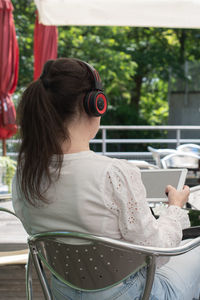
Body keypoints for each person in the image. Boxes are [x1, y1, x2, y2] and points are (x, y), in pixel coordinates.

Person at [12, 58, 200, 300]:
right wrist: (174, 208)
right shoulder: (112, 173)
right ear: (95, 105)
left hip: (63, 293)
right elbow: (159, 252)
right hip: (135, 295)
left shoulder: (25, 175)